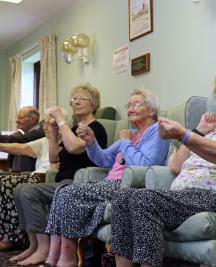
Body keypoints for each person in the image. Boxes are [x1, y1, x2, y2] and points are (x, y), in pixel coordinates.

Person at [110, 64, 216, 267]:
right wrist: (199, 131)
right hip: (182, 194)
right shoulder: (212, 128)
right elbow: (175, 165)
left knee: (143, 199)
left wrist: (184, 134)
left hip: (213, 195)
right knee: (122, 197)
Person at [43, 89, 171, 267]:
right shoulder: (130, 134)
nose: (130, 109)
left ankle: (67, 258)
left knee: (68, 193)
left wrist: (126, 142)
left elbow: (145, 164)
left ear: (151, 111)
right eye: (129, 105)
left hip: (132, 187)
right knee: (63, 191)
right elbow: (103, 160)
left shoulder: (157, 131)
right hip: (111, 184)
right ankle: (61, 255)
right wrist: (91, 142)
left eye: (136, 104)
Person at [11, 83, 107, 266]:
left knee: (28, 192)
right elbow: (54, 157)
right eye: (74, 98)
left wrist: (62, 121)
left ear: (93, 104)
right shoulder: (72, 129)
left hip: (77, 183)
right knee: (19, 189)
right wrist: (54, 132)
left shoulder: (96, 128)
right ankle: (34, 245)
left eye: (82, 98)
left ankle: (44, 249)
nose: (76, 101)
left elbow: (74, 147)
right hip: (61, 180)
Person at [0, 111, 72, 251]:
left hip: (44, 179)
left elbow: (57, 168)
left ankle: (12, 238)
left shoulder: (67, 142)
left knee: (7, 183)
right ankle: (6, 234)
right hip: (33, 177)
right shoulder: (44, 141)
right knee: (3, 180)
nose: (45, 127)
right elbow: (19, 148)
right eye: (45, 123)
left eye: (50, 124)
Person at [0, 106, 45, 172]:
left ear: (32, 119)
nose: (16, 121)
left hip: (30, 177)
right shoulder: (22, 135)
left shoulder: (39, 132)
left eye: (20, 118)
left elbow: (12, 140)